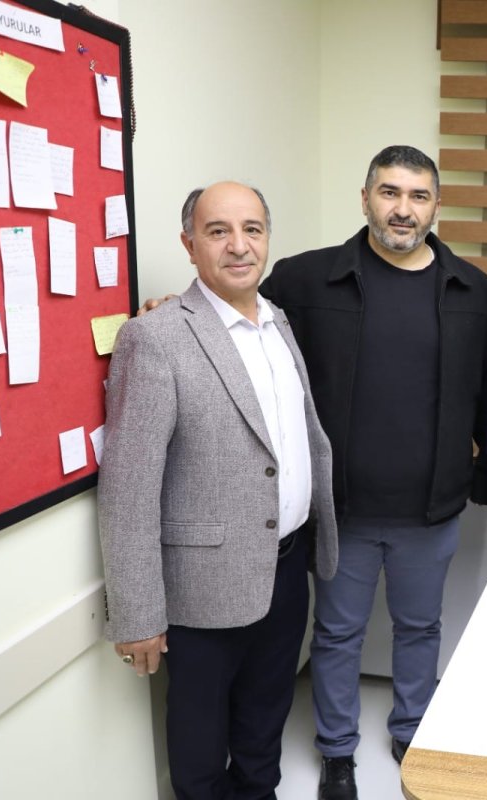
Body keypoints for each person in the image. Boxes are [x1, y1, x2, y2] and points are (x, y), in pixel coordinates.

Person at [259, 146, 487, 800]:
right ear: (365, 198)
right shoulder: (306, 280)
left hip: (431, 508)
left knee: (421, 628)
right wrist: (172, 308)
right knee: (338, 633)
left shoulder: (473, 291)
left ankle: (412, 731)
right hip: (342, 510)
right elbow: (238, 331)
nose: (403, 209)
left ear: (436, 206)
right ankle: (337, 751)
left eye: (418, 196)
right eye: (390, 192)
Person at [98, 181, 338, 800]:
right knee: (200, 748)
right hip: (202, 589)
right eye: (218, 231)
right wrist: (138, 614)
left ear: (267, 238)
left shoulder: (279, 323)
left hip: (285, 571)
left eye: (252, 229)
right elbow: (128, 488)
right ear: (189, 245)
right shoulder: (155, 337)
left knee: (265, 725)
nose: (238, 246)